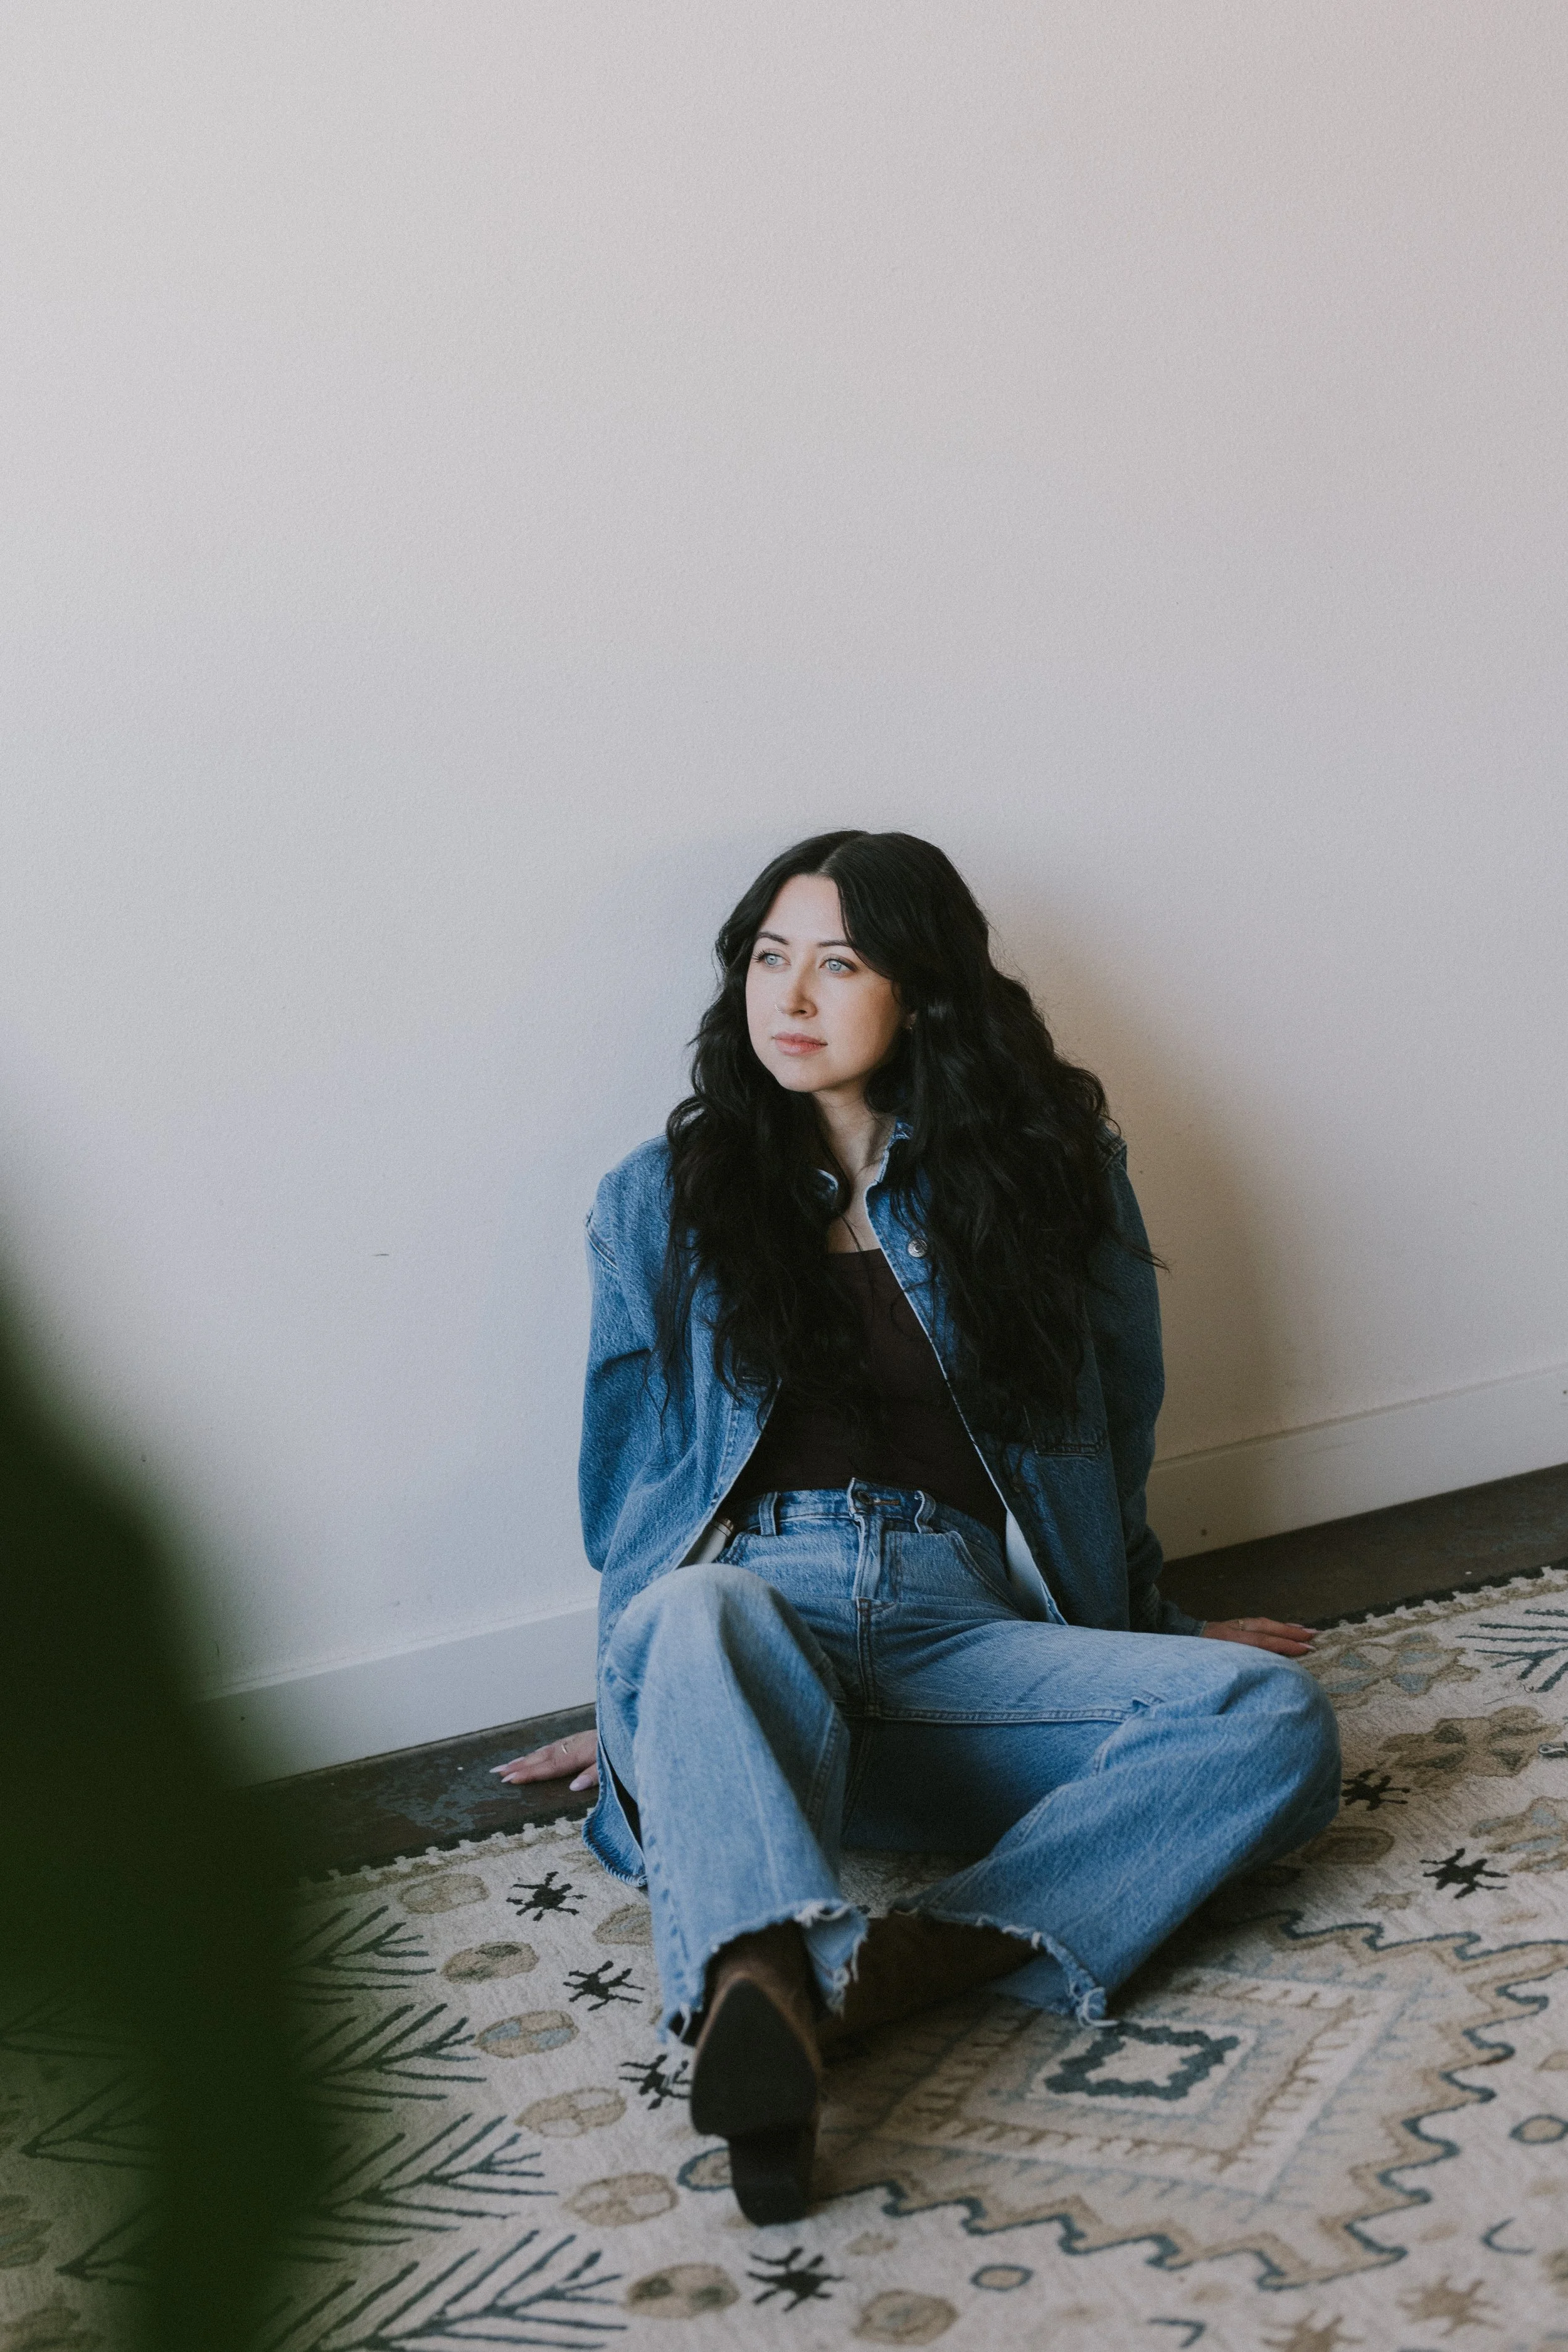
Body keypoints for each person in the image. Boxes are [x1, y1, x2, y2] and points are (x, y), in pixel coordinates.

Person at [497, 829, 1339, 2225]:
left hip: (964, 1642)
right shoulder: (656, 1198)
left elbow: (1112, 1429)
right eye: (769, 957)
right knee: (695, 1613)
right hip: (753, 1617)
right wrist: (649, 1693)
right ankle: (755, 1984)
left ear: (924, 990)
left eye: (838, 963)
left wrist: (1152, 1628)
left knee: (1272, 1718)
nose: (790, 996)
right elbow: (632, 1489)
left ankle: (855, 1979)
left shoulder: (1048, 1172)